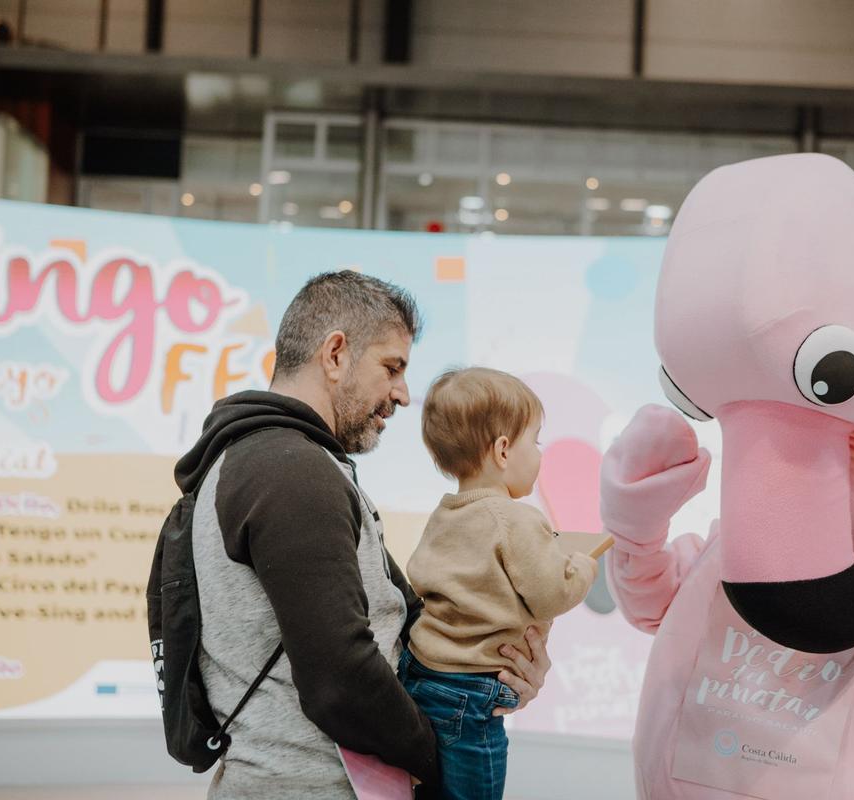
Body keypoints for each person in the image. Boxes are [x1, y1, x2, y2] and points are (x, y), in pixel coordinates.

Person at [172, 272, 551, 799]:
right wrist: (444, 755)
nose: (403, 394)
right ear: (335, 354)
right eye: (392, 368)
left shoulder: (289, 463)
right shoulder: (290, 471)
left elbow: (399, 615)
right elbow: (340, 678)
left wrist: (488, 670)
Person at [402, 367, 598, 800]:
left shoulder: (445, 514)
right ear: (504, 450)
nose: (540, 454)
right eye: (536, 441)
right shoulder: (516, 519)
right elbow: (551, 595)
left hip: (420, 673)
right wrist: (583, 567)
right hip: (472, 694)